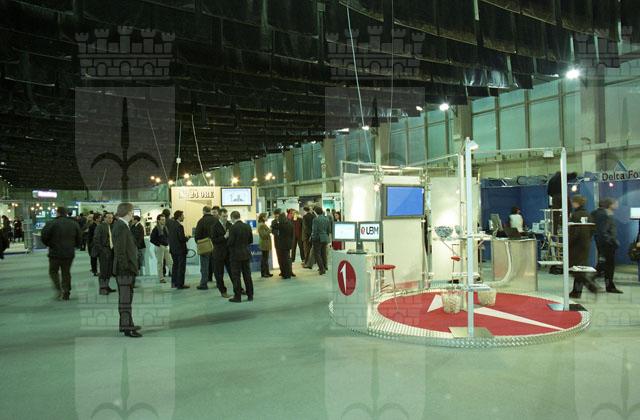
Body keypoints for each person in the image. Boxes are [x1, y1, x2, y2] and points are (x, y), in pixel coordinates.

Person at [111, 202, 142, 338]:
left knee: (126, 299)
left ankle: (127, 324)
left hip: (126, 269)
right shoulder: (121, 227)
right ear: (129, 212)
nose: (133, 214)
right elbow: (120, 251)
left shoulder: (122, 226)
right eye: (132, 211)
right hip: (125, 270)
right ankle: (127, 327)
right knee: (125, 300)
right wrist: (126, 268)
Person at [41, 207, 82, 300]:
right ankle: (66, 291)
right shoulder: (74, 223)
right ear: (66, 213)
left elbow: (44, 236)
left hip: (54, 253)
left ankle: (58, 288)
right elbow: (79, 237)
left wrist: (49, 244)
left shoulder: (51, 223)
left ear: (57, 212)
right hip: (69, 252)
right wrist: (74, 245)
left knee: (53, 271)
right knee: (66, 272)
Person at [568, 195, 601, 299]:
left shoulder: (575, 215)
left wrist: (568, 243)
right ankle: (576, 291)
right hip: (585, 244)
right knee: (579, 269)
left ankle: (591, 286)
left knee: (575, 269)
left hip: (575, 246)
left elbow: (574, 232)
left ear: (576, 203)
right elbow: (592, 230)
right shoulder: (588, 214)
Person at [592, 198, 623, 294]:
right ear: (610, 205)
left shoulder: (598, 213)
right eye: (615, 203)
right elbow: (603, 231)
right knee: (609, 266)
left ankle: (607, 285)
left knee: (603, 265)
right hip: (607, 244)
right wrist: (612, 241)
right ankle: (608, 286)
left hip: (603, 243)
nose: (617, 205)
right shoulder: (605, 215)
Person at [226, 211, 254, 302]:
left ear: (232, 218)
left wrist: (227, 239)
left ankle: (237, 297)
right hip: (246, 253)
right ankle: (250, 295)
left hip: (235, 255)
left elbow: (230, 242)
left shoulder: (232, 228)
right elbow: (250, 240)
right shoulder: (247, 226)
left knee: (236, 276)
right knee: (247, 275)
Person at [210, 208, 232, 297]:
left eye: (226, 216)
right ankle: (223, 291)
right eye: (224, 216)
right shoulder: (214, 226)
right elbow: (214, 240)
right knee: (219, 274)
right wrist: (224, 237)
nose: (225, 218)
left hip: (229, 253)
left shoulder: (229, 224)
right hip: (218, 253)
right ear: (219, 216)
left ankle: (239, 289)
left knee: (233, 272)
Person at [195, 206, 217, 290]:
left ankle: (204, 284)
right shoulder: (216, 220)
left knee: (204, 266)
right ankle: (219, 283)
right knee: (216, 266)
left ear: (203, 211)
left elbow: (197, 235)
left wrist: (198, 243)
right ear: (210, 211)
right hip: (215, 246)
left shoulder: (201, 221)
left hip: (204, 246)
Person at [93, 213, 116, 295]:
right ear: (104, 218)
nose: (110, 219)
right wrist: (102, 250)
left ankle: (106, 286)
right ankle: (102, 288)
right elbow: (96, 239)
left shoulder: (112, 226)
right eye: (109, 218)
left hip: (111, 250)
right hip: (104, 250)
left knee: (109, 270)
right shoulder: (100, 226)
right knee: (103, 270)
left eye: (112, 218)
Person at [168, 210, 190, 289]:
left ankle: (174, 283)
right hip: (180, 250)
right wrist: (187, 238)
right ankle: (180, 284)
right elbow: (181, 238)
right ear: (179, 217)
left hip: (173, 249)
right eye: (182, 216)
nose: (184, 217)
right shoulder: (179, 226)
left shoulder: (171, 225)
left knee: (175, 267)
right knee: (181, 267)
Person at [150, 214, 172, 284]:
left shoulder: (165, 228)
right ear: (158, 220)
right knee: (160, 263)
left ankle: (174, 276)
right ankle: (161, 278)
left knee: (170, 262)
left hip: (166, 246)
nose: (164, 221)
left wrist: (167, 243)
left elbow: (167, 237)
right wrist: (159, 244)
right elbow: (152, 239)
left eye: (164, 219)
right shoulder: (156, 229)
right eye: (162, 220)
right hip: (159, 247)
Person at [273, 208, 295, 278]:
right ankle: (284, 272)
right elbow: (274, 231)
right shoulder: (275, 222)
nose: (277, 217)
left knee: (285, 258)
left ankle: (288, 272)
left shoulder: (283, 223)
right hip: (282, 243)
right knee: (284, 258)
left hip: (282, 243)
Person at [311, 206, 332, 275]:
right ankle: (325, 267)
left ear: (316, 212)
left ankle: (321, 269)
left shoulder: (315, 219)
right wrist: (326, 235)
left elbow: (314, 230)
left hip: (318, 238)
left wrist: (313, 238)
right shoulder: (326, 219)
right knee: (323, 253)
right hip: (325, 238)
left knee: (317, 254)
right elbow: (329, 230)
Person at [130, 215, 146, 280]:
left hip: (138, 246)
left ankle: (138, 272)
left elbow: (141, 237)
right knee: (135, 259)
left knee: (138, 259)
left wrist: (137, 245)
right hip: (133, 245)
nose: (132, 220)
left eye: (133, 219)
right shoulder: (133, 226)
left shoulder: (140, 226)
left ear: (136, 220)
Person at [257, 213, 273, 278]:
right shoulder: (261, 225)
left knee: (265, 259)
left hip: (265, 244)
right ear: (263, 217)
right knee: (264, 259)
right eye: (266, 217)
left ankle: (267, 272)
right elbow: (263, 235)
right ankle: (264, 273)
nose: (267, 218)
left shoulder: (263, 224)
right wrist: (270, 230)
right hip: (264, 244)